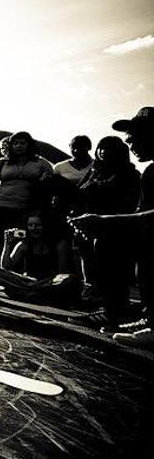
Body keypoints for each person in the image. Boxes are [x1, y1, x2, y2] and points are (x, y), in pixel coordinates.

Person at [69, 107, 153, 343]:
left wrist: (104, 221)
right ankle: (145, 316)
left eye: (136, 135)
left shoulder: (136, 175)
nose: (130, 141)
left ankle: (129, 313)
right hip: (128, 231)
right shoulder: (149, 172)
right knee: (112, 244)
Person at [0, 131, 54, 260]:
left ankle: (16, 270)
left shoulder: (41, 163)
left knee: (20, 241)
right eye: (15, 143)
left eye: (22, 143)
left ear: (29, 145)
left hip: (25, 210)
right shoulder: (2, 162)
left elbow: (55, 181)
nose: (18, 146)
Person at [0, 212, 80, 305]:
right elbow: (6, 267)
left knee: (69, 279)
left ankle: (27, 293)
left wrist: (41, 283)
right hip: (28, 281)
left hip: (49, 282)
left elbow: (62, 272)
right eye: (30, 225)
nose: (34, 228)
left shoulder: (59, 244)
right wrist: (7, 244)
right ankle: (34, 294)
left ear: (46, 226)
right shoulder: (24, 245)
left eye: (38, 225)